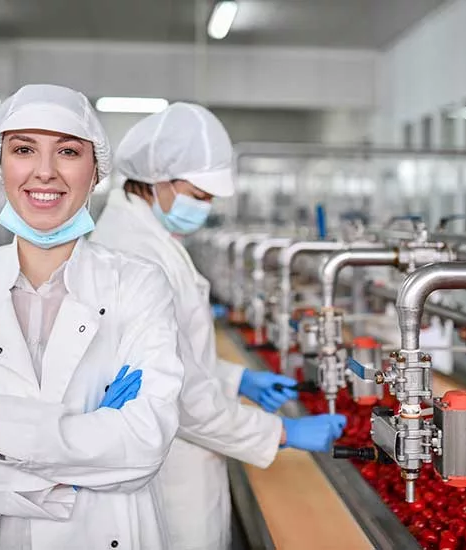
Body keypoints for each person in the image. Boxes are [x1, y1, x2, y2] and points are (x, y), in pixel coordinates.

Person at [0, 84, 185, 550]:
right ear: (1, 165)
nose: (44, 172)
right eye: (24, 149)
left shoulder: (138, 285)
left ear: (95, 172)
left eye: (67, 151)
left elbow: (143, 446)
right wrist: (82, 446)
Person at [91, 102, 348, 550]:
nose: (204, 208)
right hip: (168, 473)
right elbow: (177, 393)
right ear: (158, 180)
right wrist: (282, 432)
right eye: (199, 194)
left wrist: (237, 378)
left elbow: (174, 357)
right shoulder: (132, 251)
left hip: (183, 457)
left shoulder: (147, 235)